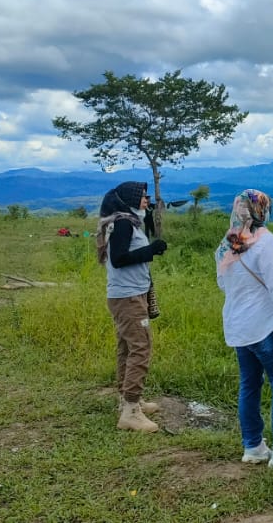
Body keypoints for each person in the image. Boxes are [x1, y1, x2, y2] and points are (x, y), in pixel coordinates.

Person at [216, 189, 273, 469]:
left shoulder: (228, 242)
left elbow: (223, 284)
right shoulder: (265, 241)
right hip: (265, 325)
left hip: (238, 327)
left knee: (249, 384)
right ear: (261, 210)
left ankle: (253, 446)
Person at [97, 181, 169, 433]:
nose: (146, 200)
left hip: (127, 294)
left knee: (127, 348)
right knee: (141, 347)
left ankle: (128, 400)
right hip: (128, 297)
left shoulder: (125, 220)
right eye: (143, 196)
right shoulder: (124, 223)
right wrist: (150, 250)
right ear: (131, 198)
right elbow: (119, 259)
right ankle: (131, 411)